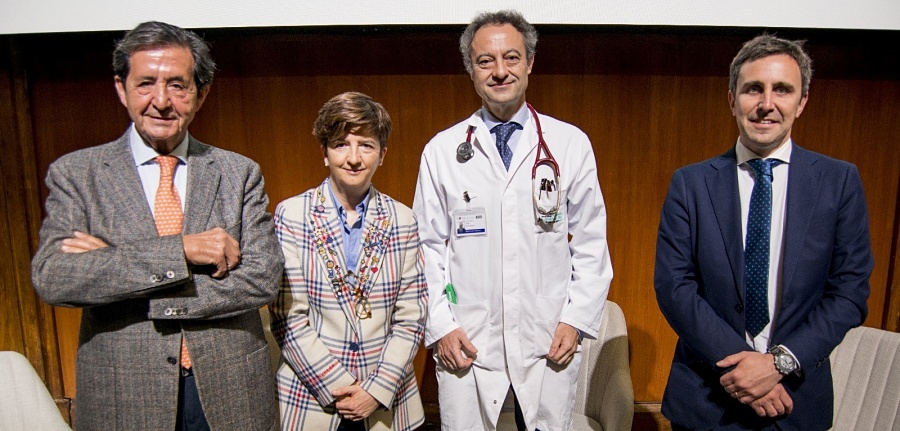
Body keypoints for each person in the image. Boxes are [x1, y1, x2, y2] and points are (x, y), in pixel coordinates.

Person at [30, 21, 284, 430]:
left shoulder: (239, 173)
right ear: (121, 88)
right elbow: (56, 277)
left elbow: (260, 279)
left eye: (178, 85)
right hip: (123, 394)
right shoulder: (77, 173)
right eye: (146, 83)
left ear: (201, 94)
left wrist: (116, 270)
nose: (161, 101)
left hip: (230, 392)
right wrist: (180, 250)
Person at [654, 34, 873, 430]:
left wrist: (778, 364)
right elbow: (674, 287)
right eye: (753, 89)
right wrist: (747, 369)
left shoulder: (839, 182)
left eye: (782, 90)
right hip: (706, 401)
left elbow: (850, 292)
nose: (766, 104)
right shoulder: (690, 183)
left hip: (794, 402)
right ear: (732, 99)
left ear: (802, 101)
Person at [412, 10, 613, 431]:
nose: (500, 71)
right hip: (468, 338)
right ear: (471, 71)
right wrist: (442, 326)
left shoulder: (569, 144)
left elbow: (592, 243)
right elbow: (426, 248)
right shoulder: (442, 150)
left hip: (547, 337)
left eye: (512, 58)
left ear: (530, 64)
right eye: (486, 61)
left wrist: (575, 320)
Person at [271, 92, 427, 431]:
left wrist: (375, 390)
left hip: (387, 404)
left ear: (382, 155)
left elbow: (411, 318)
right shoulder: (292, 215)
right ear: (324, 153)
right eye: (341, 144)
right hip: (312, 400)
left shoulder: (403, 220)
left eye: (366, 146)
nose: (353, 158)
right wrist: (338, 388)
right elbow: (287, 317)